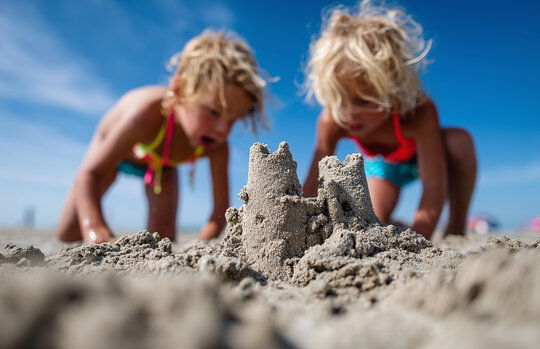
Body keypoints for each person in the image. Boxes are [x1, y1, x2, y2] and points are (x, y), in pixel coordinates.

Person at [57, 30, 267, 244]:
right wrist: (95, 228)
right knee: (69, 232)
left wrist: (199, 248)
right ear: (179, 91)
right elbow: (90, 174)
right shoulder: (145, 114)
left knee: (163, 239)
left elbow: (220, 210)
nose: (223, 129)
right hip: (113, 157)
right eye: (213, 112)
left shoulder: (217, 146)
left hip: (161, 165)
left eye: (233, 120)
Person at [302, 1, 476, 239]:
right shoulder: (332, 120)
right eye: (339, 99)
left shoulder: (418, 111)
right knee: (373, 220)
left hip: (429, 158)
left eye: (364, 101)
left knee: (460, 141)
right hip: (385, 167)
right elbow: (311, 185)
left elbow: (433, 187)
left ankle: (456, 227)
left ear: (393, 90)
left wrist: (419, 239)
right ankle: (395, 225)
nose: (349, 113)